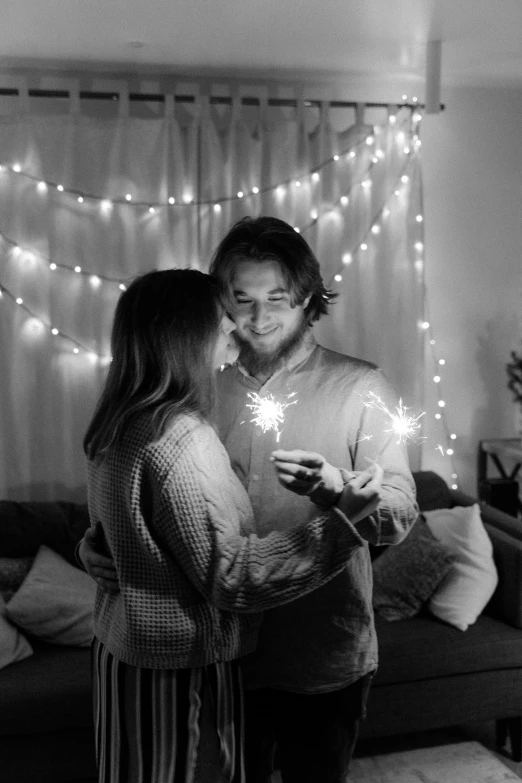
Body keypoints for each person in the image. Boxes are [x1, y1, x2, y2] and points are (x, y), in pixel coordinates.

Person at [81, 267, 385, 783]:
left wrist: (95, 546)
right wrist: (341, 521)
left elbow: (124, 529)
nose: (236, 326)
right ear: (185, 336)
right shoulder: (179, 437)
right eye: (225, 313)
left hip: (123, 661)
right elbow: (233, 575)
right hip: (178, 676)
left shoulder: (119, 421)